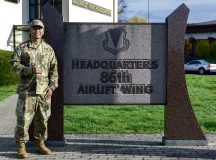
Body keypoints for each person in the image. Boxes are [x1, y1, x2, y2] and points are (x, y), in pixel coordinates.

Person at [10, 19, 58, 159]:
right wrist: (28, 70)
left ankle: (40, 144)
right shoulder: (22, 47)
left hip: (44, 92)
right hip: (27, 91)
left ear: (43, 31)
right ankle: (21, 146)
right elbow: (14, 64)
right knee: (23, 120)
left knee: (42, 119)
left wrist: (52, 87)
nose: (37, 31)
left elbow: (54, 70)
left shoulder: (48, 49)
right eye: (34, 28)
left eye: (39, 29)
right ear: (30, 31)